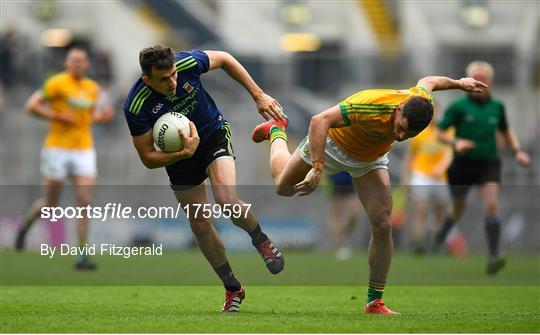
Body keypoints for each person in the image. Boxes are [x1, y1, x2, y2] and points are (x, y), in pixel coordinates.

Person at [251, 75, 487, 314]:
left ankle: (375, 302)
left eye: (409, 135)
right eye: (401, 128)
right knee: (283, 187)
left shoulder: (420, 99)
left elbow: (429, 81)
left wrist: (459, 83)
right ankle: (276, 132)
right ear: (399, 109)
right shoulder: (370, 104)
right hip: (333, 144)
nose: (401, 137)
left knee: (383, 225)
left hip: (370, 160)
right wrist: (317, 168)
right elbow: (318, 120)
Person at [123, 46, 285, 312]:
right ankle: (233, 288)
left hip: (212, 136)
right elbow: (147, 158)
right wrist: (184, 152)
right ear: (147, 80)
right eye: (163, 79)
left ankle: (261, 240)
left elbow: (224, 58)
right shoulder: (137, 104)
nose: (172, 82)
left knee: (227, 201)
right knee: (199, 223)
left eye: (173, 74)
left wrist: (258, 94)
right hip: (178, 157)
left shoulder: (187, 63)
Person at [15, 47, 113, 270]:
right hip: (57, 148)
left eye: (81, 61)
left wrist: (101, 117)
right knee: (50, 204)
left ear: (87, 65)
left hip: (83, 149)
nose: (77, 65)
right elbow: (31, 106)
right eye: (73, 61)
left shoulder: (92, 88)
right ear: (67, 64)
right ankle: (25, 225)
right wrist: (58, 116)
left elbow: (85, 119)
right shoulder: (57, 83)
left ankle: (81, 256)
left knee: (84, 202)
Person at [433, 61, 530, 275]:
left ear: (490, 82)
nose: (480, 82)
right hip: (461, 165)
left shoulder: (497, 107)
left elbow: (506, 130)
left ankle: (493, 256)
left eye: (484, 79)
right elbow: (440, 133)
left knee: (491, 206)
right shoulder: (458, 106)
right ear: (469, 81)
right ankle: (440, 238)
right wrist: (455, 143)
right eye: (476, 78)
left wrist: (518, 150)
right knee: (458, 209)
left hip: (488, 164)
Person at [402, 106, 452, 254]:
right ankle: (419, 243)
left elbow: (450, 153)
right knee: (420, 210)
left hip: (441, 177)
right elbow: (410, 156)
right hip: (421, 174)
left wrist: (441, 167)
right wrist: (406, 176)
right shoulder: (419, 132)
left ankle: (438, 242)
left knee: (441, 212)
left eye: (436, 112)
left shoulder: (447, 131)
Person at [325, 171, 360, 260]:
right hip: (333, 181)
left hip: (350, 181)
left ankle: (341, 235)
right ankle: (339, 243)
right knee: (336, 215)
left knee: (354, 214)